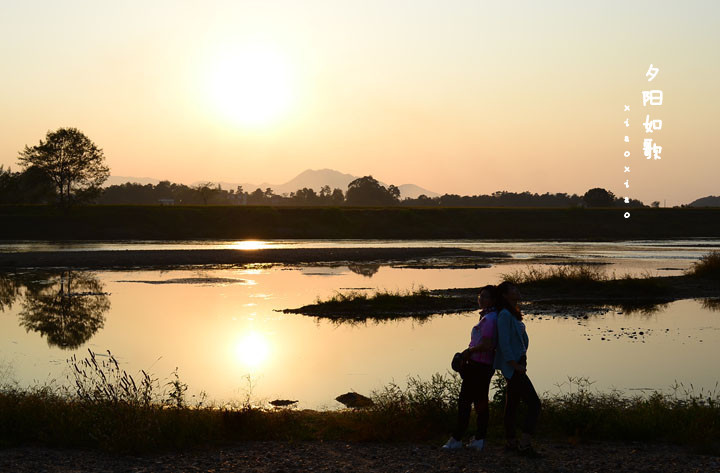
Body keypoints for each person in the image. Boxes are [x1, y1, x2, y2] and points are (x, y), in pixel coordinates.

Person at [443, 285, 499, 451]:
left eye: (486, 296)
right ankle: (478, 439)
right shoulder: (489, 317)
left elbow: (487, 344)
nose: (481, 299)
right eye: (480, 295)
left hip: (478, 366)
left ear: (494, 300)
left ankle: (457, 438)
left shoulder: (489, 320)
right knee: (480, 402)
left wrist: (468, 352)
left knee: (465, 402)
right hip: (483, 365)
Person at [494, 281, 542, 458]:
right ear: (505, 295)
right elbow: (504, 343)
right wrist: (515, 365)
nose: (516, 290)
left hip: (519, 362)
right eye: (512, 289)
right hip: (514, 365)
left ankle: (511, 443)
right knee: (535, 405)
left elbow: (518, 339)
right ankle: (524, 444)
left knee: (512, 404)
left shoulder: (513, 314)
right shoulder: (505, 315)